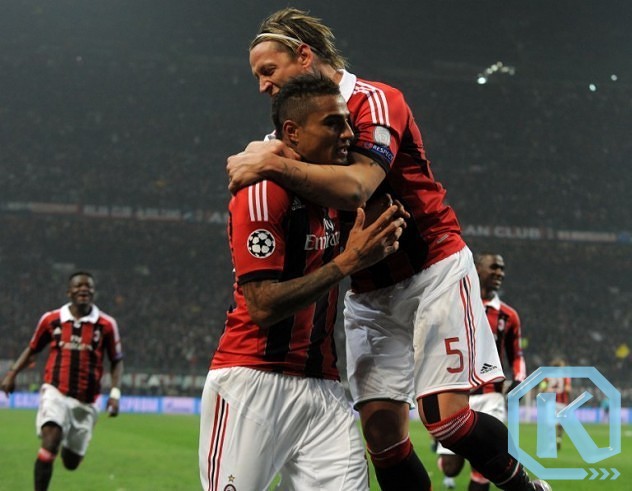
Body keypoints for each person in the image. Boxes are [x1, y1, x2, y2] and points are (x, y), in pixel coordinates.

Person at [226, 8, 551, 491]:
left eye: (268, 70)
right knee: (381, 435)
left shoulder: (374, 101)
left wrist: (273, 164)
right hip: (368, 289)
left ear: (304, 55)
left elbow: (358, 186)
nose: (262, 86)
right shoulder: (288, 133)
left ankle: (527, 487)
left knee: (446, 421)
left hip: (432, 269)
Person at [199, 74, 406, 491]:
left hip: (324, 389)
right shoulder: (263, 192)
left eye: (347, 122)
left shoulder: (334, 192)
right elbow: (262, 305)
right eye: (333, 123)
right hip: (252, 381)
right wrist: (347, 262)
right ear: (292, 132)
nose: (348, 134)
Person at [1, 271, 123, 491]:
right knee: (50, 441)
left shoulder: (106, 324)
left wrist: (115, 393)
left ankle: (69, 442)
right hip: (56, 391)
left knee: (71, 462)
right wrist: (12, 373)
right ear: (69, 292)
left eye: (88, 287)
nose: (83, 289)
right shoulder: (51, 319)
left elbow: (116, 361)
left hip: (86, 401)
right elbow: (33, 349)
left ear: (93, 292)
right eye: (78, 286)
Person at [436, 252, 527, 491]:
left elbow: (516, 355)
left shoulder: (508, 316)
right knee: (450, 467)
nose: (499, 273)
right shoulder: (457, 305)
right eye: (494, 267)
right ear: (477, 269)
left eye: (502, 269)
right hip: (457, 393)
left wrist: (519, 380)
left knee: (485, 464)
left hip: (491, 395)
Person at [538, 359, 572, 451]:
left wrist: (545, 391)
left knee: (550, 423)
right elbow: (568, 389)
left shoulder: (547, 377)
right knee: (561, 422)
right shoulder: (565, 377)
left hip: (550, 402)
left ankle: (551, 443)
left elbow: (541, 388)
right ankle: (559, 437)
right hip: (562, 403)